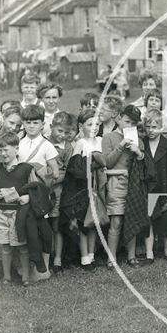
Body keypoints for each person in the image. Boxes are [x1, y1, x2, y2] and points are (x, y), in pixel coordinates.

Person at [60, 109, 105, 271]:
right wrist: (92, 161)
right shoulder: (80, 143)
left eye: (97, 124)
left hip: (97, 185)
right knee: (83, 222)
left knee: (94, 221)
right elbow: (75, 168)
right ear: (81, 126)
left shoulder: (101, 140)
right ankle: (85, 257)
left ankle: (92, 255)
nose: (94, 128)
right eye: (90, 124)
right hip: (82, 187)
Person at [18, 104, 60, 278]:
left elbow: (55, 173)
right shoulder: (19, 143)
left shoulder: (46, 145)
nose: (31, 126)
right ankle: (26, 265)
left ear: (43, 124)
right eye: (28, 122)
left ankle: (44, 267)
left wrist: (39, 169)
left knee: (43, 230)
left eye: (35, 122)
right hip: (23, 192)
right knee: (26, 228)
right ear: (23, 124)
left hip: (39, 194)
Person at [102, 105, 146, 267]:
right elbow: (107, 162)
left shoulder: (138, 140)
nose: (129, 126)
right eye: (127, 121)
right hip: (115, 183)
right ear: (119, 118)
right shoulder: (109, 137)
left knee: (132, 219)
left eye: (133, 123)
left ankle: (131, 256)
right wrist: (121, 146)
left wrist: (139, 153)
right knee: (117, 221)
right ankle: (111, 258)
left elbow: (144, 165)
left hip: (134, 184)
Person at [0, 131, 32, 286]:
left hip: (18, 213)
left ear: (16, 148)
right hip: (1, 212)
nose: (2, 153)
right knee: (6, 246)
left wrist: (28, 197)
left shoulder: (26, 168)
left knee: (22, 246)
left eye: (6, 150)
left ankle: (26, 277)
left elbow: (36, 189)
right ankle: (6, 277)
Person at [143, 108, 167, 263]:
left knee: (166, 218)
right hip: (147, 187)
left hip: (165, 187)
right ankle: (149, 252)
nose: (151, 131)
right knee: (148, 219)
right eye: (149, 127)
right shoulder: (142, 144)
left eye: (155, 127)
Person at [48, 111, 74, 274]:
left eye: (66, 132)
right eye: (59, 131)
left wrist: (55, 178)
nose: (62, 135)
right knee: (44, 224)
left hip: (58, 190)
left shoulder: (68, 147)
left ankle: (57, 258)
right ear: (51, 128)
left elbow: (68, 171)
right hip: (43, 190)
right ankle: (47, 255)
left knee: (56, 225)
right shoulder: (44, 143)